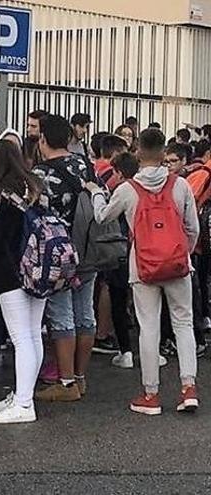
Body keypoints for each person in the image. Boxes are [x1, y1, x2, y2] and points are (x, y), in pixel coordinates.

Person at [87, 128, 200, 415]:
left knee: (148, 327)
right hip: (178, 265)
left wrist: (97, 192)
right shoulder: (180, 185)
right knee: (183, 324)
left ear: (138, 153)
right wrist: (180, 253)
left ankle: (151, 395)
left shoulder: (127, 190)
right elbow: (193, 228)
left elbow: (102, 217)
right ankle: (188, 388)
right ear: (163, 153)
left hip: (143, 267)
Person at [0, 139, 47, 424]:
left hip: (9, 274)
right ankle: (23, 392)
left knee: (21, 338)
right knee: (32, 334)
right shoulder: (34, 189)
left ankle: (23, 402)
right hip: (39, 268)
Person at [33, 114, 97, 402]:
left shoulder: (41, 174)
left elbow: (35, 213)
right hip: (89, 248)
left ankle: (66, 382)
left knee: (62, 316)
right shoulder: (85, 164)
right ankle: (81, 379)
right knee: (85, 313)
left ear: (43, 139)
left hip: (59, 253)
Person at [104, 152, 140, 369]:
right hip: (143, 253)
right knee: (144, 305)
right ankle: (152, 350)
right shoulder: (146, 189)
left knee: (118, 301)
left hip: (119, 252)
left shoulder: (121, 191)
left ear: (118, 172)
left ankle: (125, 350)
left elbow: (104, 216)